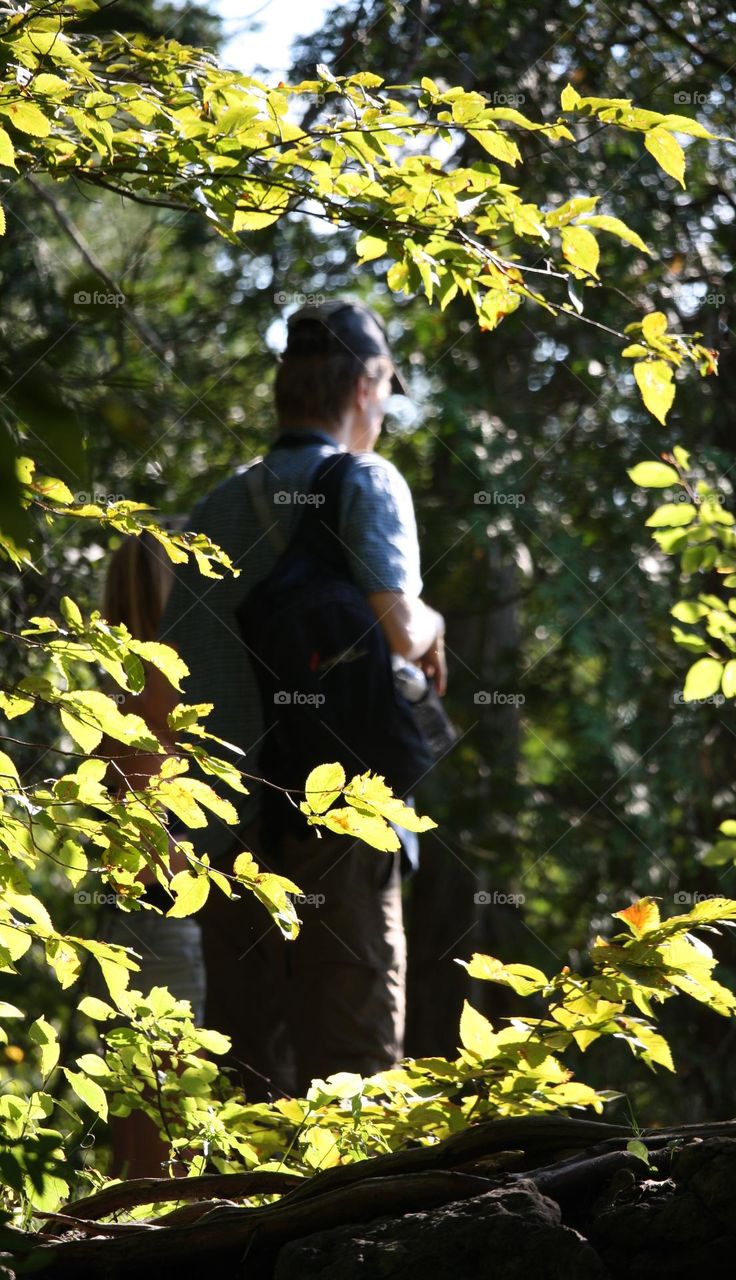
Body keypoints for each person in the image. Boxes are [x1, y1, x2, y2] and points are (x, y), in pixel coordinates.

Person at [155, 298, 446, 1101]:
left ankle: (250, 1229)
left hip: (227, 833)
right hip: (340, 817)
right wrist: (433, 624)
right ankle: (356, 1224)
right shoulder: (365, 481)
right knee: (352, 1062)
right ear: (365, 387)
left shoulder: (217, 506)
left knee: (249, 1067)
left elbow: (166, 675)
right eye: (386, 387)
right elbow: (396, 622)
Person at [89, 528, 207, 1177]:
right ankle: (174, 1234)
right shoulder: (176, 672)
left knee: (129, 1091)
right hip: (166, 897)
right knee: (173, 1088)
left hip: (117, 904)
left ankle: (125, 1228)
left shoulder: (104, 684)